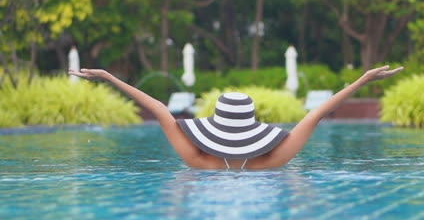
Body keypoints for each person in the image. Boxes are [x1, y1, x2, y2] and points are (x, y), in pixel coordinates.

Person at [69, 65, 403, 170]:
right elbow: (315, 116)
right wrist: (361, 81)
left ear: (216, 126)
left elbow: (158, 109)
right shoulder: (269, 162)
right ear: (250, 126)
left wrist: (110, 78)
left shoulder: (199, 159)